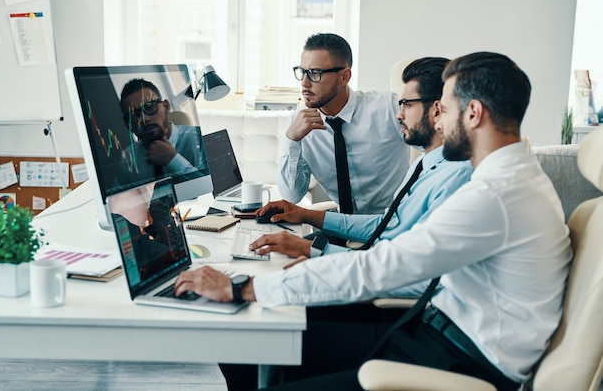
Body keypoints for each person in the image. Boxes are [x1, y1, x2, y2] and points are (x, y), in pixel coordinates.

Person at [174, 52, 573, 391]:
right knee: (251, 342)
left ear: (473, 113)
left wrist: (245, 287)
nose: (438, 120)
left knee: (257, 338)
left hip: (454, 360)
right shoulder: (511, 180)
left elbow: (385, 265)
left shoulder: (496, 194)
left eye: (445, 110)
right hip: (428, 331)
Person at [251, 57, 473, 260]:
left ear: (437, 110)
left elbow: (413, 266)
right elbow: (387, 225)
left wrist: (314, 252)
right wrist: (303, 215)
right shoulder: (425, 164)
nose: (398, 114)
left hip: (384, 280)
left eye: (406, 104)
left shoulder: (455, 176)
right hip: (373, 251)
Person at [278, 33, 410, 214]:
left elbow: (436, 153)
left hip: (394, 224)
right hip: (344, 227)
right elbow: (291, 196)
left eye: (315, 73)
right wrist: (291, 141)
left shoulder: (388, 108)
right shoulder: (300, 122)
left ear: (344, 77)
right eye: (302, 72)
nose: (305, 83)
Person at [114, 78, 208, 188]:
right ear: (128, 125)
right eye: (134, 116)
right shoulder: (128, 159)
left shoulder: (200, 138)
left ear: (166, 107)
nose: (144, 119)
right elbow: (120, 202)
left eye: (149, 107)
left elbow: (213, 192)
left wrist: (173, 160)